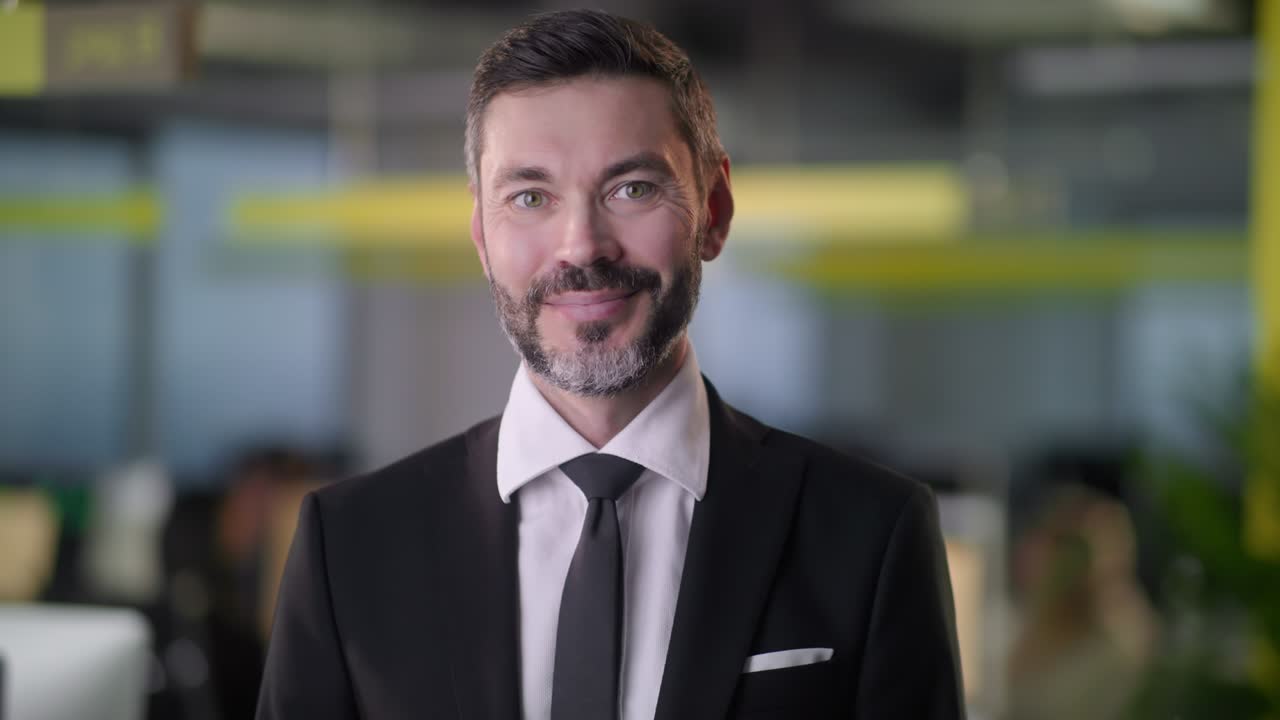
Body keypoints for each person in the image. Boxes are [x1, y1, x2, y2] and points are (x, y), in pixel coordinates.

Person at [257, 9, 964, 720]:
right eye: (530, 197)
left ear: (714, 209)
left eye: (632, 189)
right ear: (481, 235)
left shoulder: (871, 534)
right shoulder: (349, 545)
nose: (582, 248)